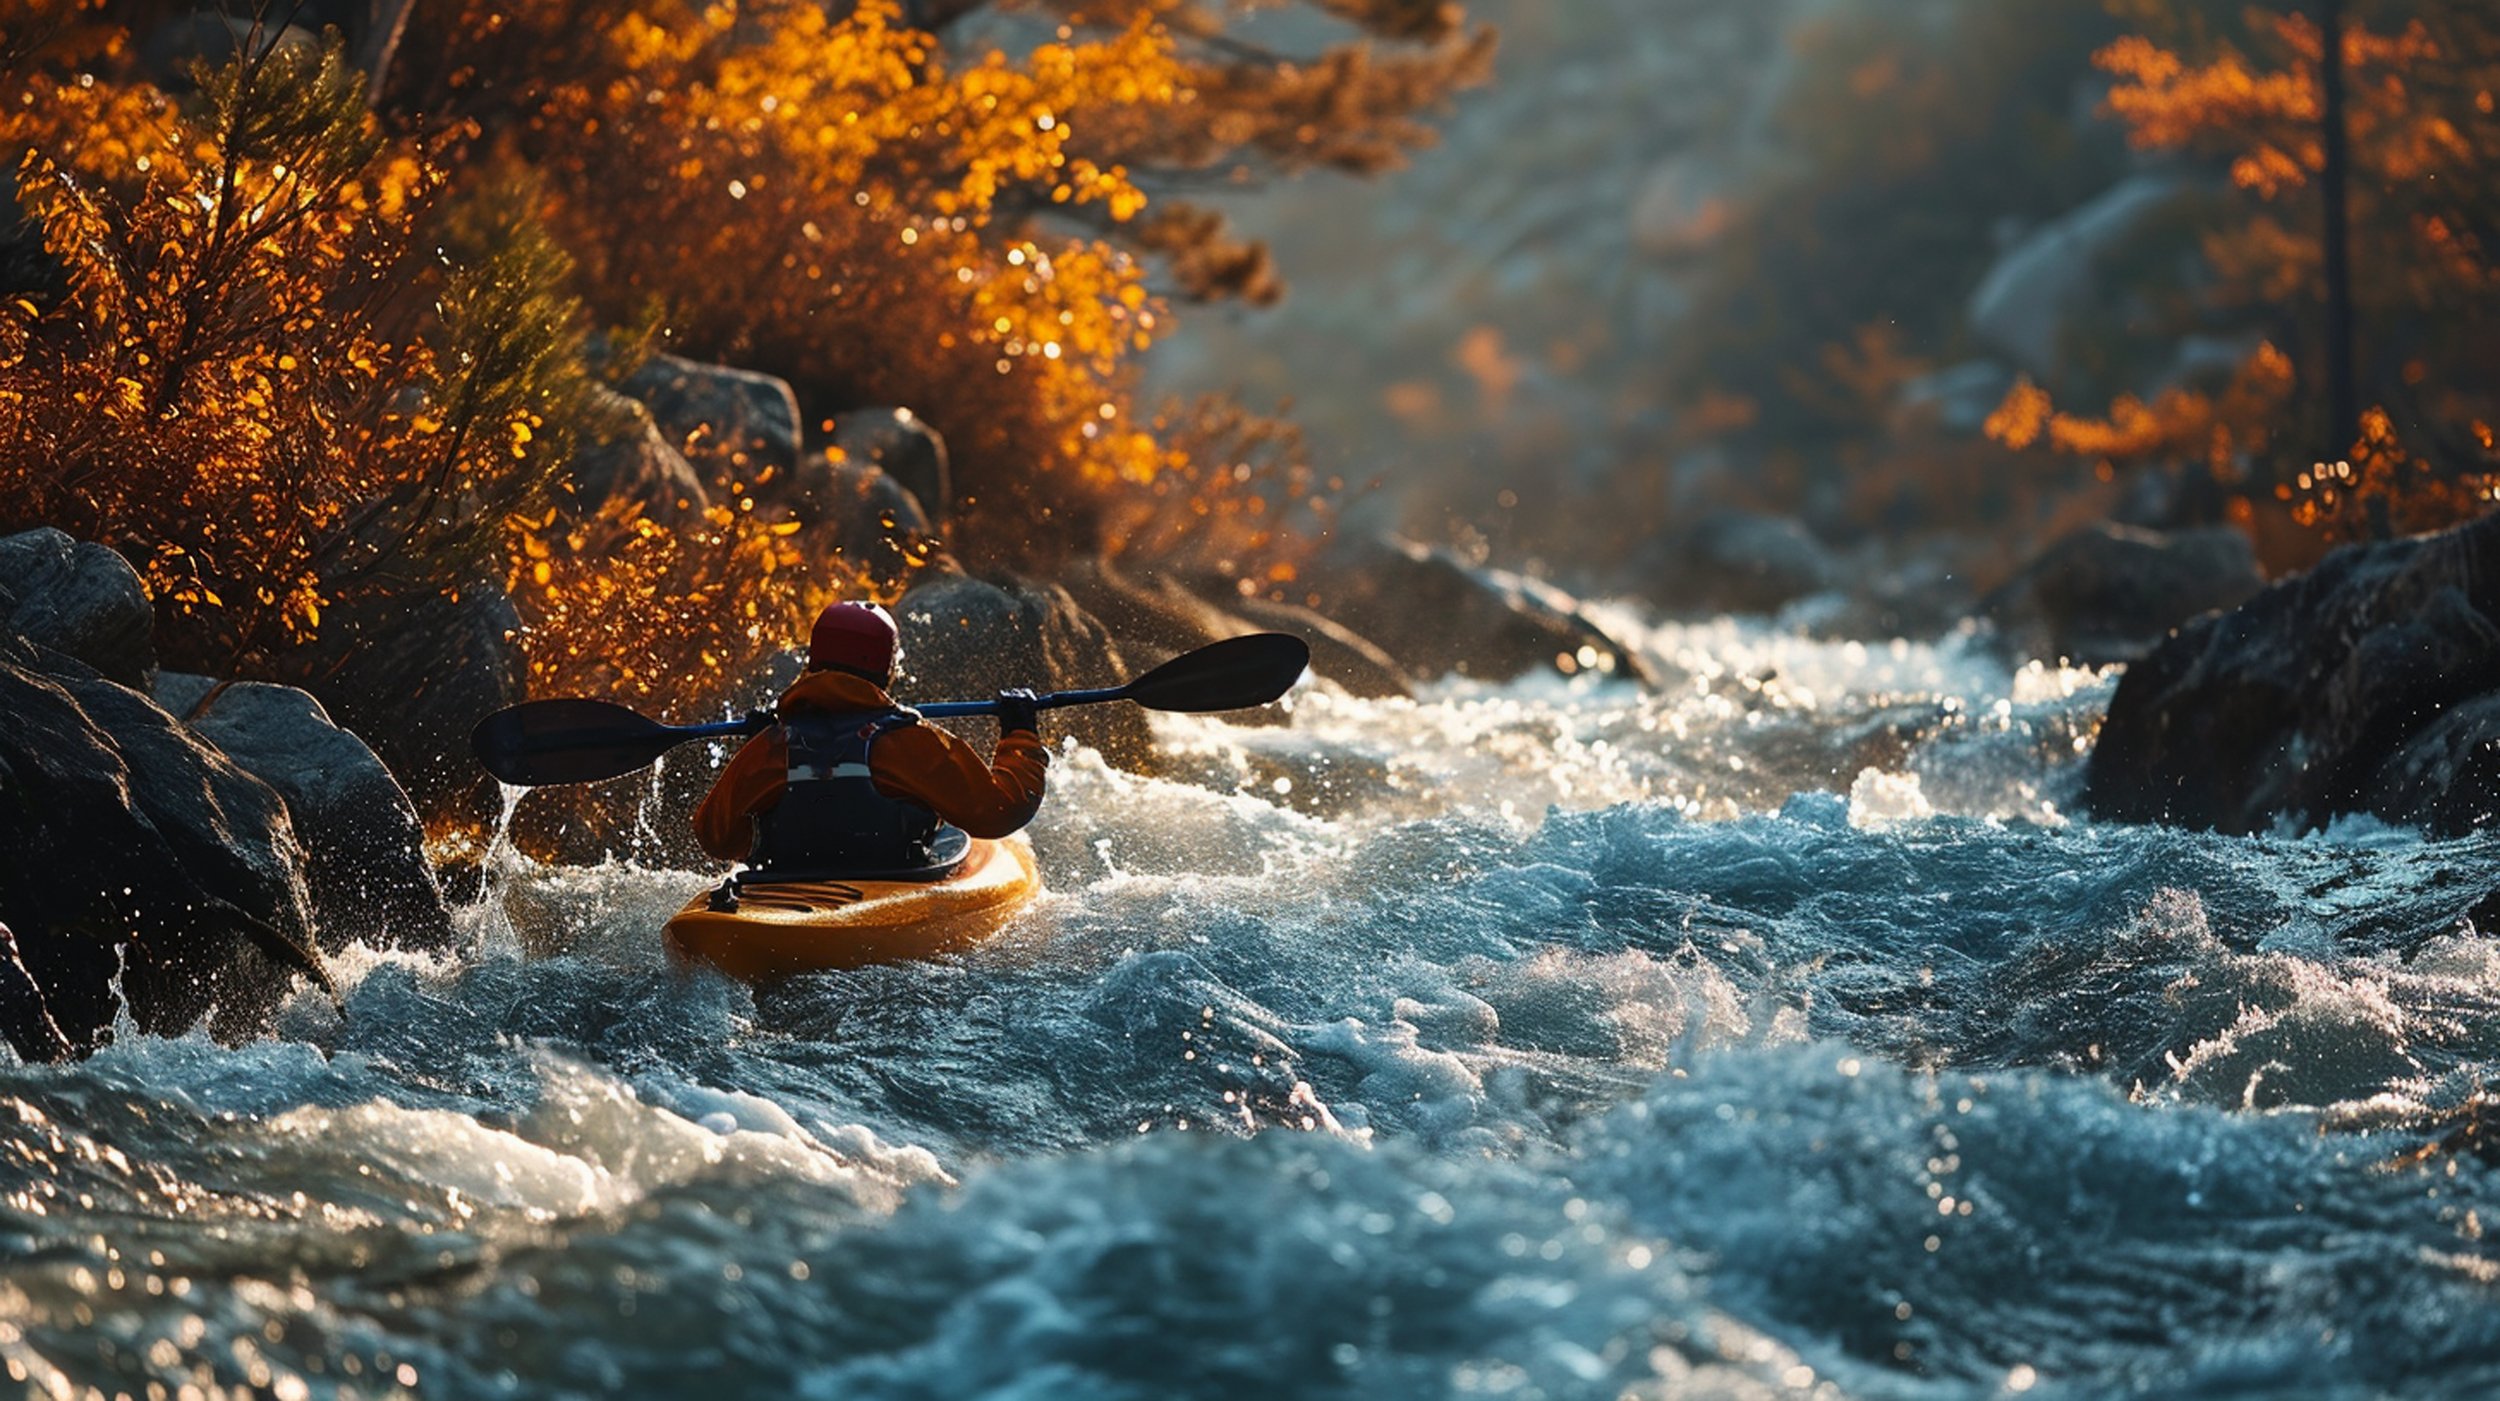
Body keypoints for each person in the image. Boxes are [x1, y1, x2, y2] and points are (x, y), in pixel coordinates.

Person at [692, 602, 1049, 874]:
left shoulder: (773, 744)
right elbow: (1001, 812)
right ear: (886, 666)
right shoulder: (911, 742)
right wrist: (1020, 734)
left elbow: (716, 837)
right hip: (895, 883)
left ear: (814, 659)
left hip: (787, 886)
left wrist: (758, 758)